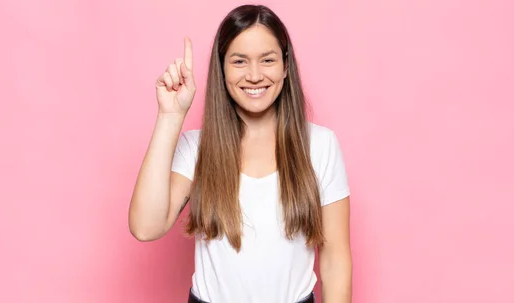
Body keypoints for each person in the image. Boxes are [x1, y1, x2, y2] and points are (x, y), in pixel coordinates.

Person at [128, 4, 352, 303]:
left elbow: (335, 259)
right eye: (239, 61)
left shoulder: (320, 145)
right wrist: (170, 116)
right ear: (222, 69)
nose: (255, 75)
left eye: (268, 60)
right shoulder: (197, 147)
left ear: (286, 67)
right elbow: (146, 227)